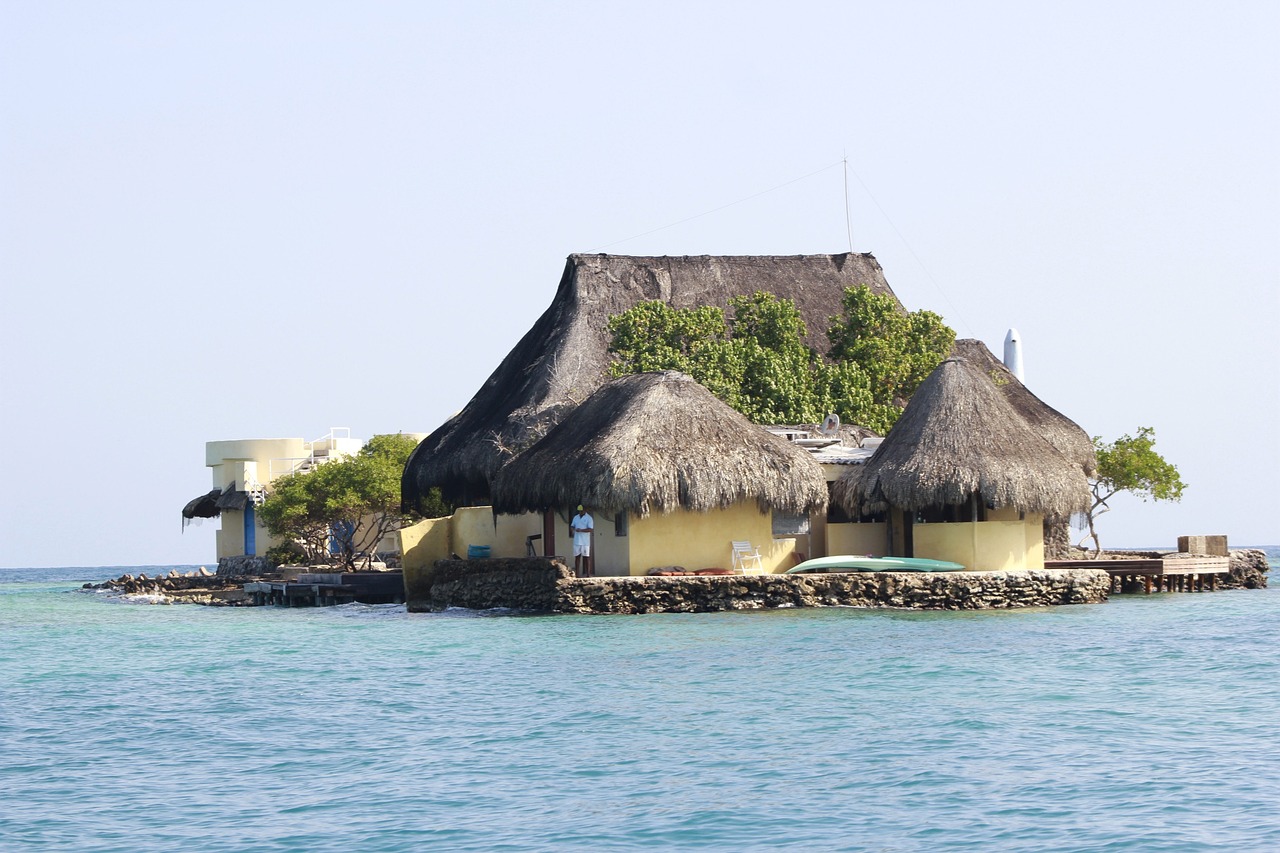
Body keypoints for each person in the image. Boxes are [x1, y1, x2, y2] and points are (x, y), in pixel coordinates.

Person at [570, 504, 594, 578]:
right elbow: (572, 525)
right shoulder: (575, 517)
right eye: (579, 511)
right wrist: (572, 529)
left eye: (581, 511)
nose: (580, 512)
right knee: (577, 557)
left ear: (585, 510)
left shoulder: (589, 518)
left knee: (586, 557)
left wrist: (581, 530)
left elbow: (590, 529)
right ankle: (577, 574)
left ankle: (588, 574)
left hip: (585, 541)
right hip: (577, 540)